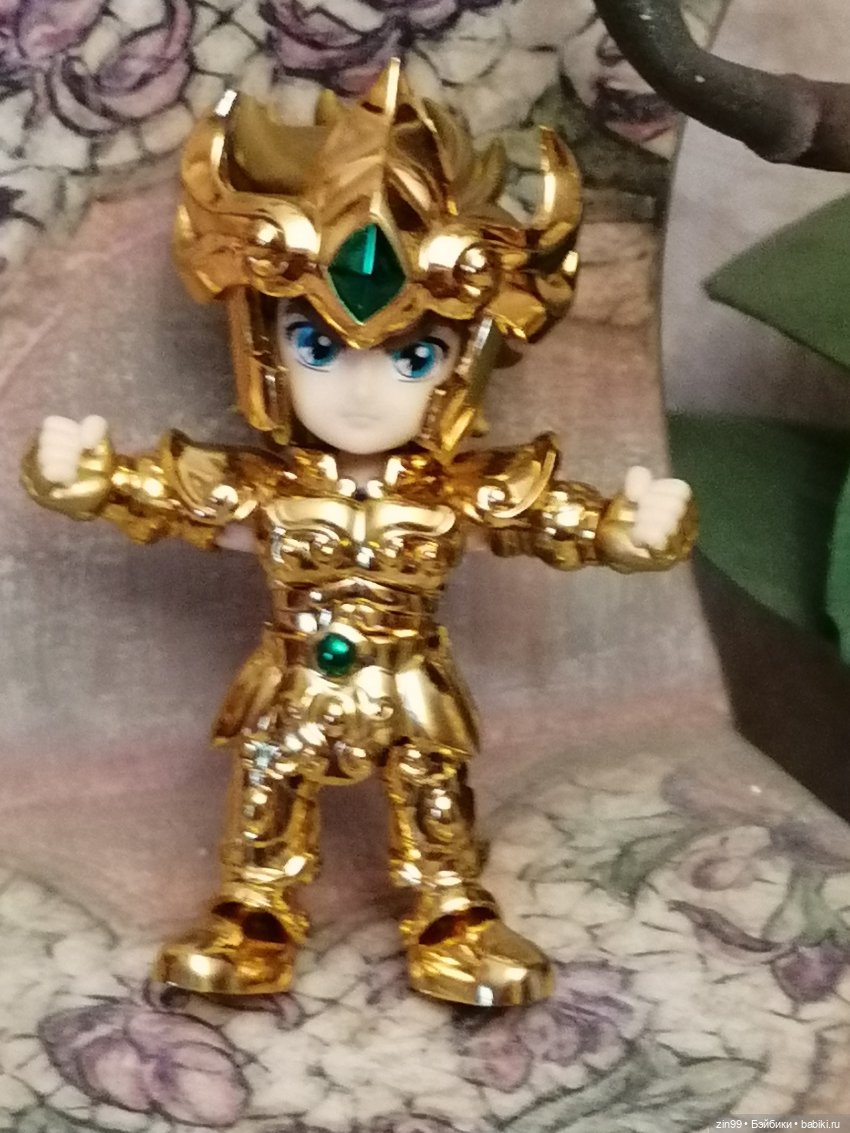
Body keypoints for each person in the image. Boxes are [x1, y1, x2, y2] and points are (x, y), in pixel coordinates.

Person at [22, 60, 695, 1008]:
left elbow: (542, 514)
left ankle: (451, 915)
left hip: (410, 685)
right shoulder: (268, 488)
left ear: (463, 363)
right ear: (266, 342)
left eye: (413, 355)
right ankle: (255, 912)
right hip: (295, 680)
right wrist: (93, 480)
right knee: (269, 784)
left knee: (433, 798)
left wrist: (624, 527)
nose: (363, 390)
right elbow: (177, 493)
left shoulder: (457, 492)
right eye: (318, 345)